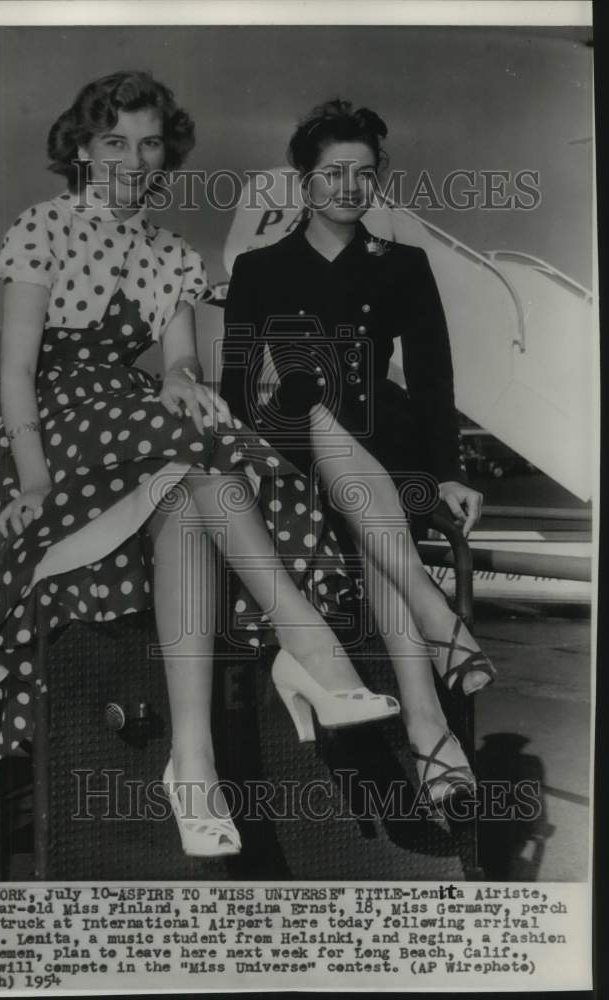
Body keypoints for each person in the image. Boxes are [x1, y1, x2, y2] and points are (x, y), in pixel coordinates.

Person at [0, 72, 402, 862]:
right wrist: (29, 478)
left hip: (132, 428)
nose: (132, 160)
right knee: (192, 452)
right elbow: (18, 374)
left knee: (193, 478)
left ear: (167, 152)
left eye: (149, 142)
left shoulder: (172, 253)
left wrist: (179, 377)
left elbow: (184, 363)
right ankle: (310, 647)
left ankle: (191, 766)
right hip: (36, 427)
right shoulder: (43, 227)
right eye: (114, 142)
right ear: (83, 150)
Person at [220, 97, 497, 806]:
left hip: (383, 439)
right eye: (333, 172)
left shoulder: (401, 264)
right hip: (290, 438)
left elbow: (433, 377)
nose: (349, 187)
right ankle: (435, 641)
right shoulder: (258, 269)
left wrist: (448, 473)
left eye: (364, 173)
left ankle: (428, 724)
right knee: (307, 391)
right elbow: (234, 386)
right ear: (303, 178)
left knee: (373, 525)